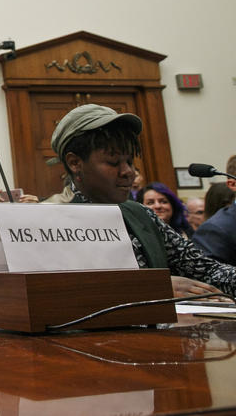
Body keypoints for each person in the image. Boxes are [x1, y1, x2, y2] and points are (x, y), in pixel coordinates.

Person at [51, 104, 236, 298]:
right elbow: (57, 293)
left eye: (130, 162)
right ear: (75, 163)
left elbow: (207, 271)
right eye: (114, 162)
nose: (128, 172)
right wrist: (151, 288)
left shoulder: (141, 214)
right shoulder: (51, 220)